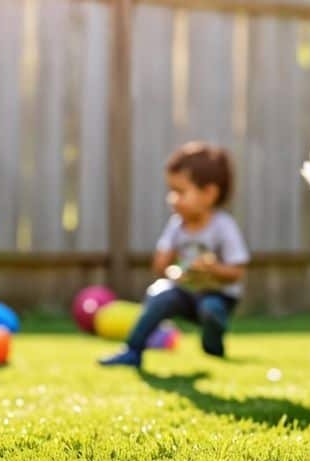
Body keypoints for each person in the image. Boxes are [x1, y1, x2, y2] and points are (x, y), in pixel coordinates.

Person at [100, 142, 250, 368]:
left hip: (218, 297)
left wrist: (212, 269)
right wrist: (170, 264)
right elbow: (160, 268)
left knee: (211, 309)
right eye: (171, 191)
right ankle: (133, 350)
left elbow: (237, 272)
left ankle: (213, 344)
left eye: (180, 192)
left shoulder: (223, 226)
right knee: (159, 293)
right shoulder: (177, 226)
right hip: (187, 295)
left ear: (209, 193)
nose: (172, 199)